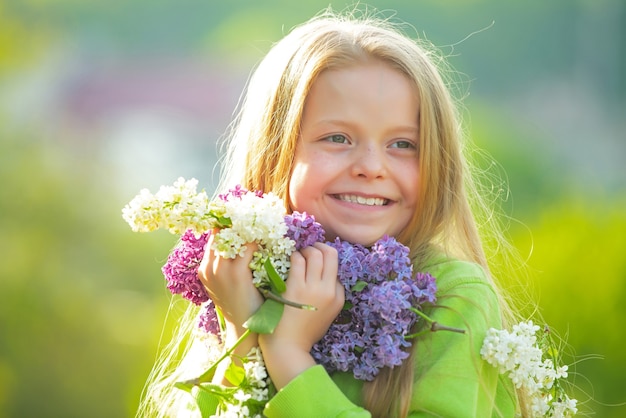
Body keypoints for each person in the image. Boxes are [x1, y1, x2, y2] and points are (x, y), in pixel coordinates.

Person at [138, 8, 531, 417]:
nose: (371, 166)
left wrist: (288, 356)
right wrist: (244, 331)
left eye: (403, 144)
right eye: (337, 138)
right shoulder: (249, 276)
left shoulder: (451, 297)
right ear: (277, 154)